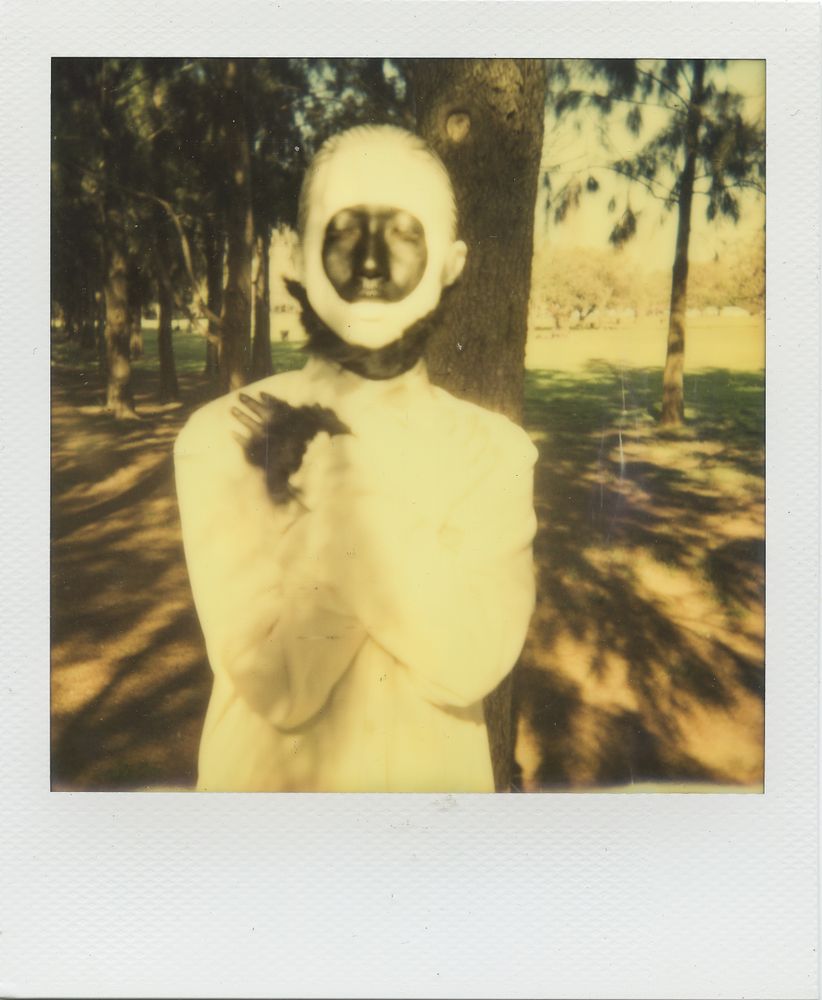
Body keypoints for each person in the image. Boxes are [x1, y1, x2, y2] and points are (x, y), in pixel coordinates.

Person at [174, 124, 537, 792]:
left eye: (401, 233)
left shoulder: (497, 451)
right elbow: (277, 684)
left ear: (452, 263)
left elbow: (468, 662)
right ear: (299, 256)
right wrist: (396, 549)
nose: (371, 263)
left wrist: (346, 496)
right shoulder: (222, 437)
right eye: (343, 232)